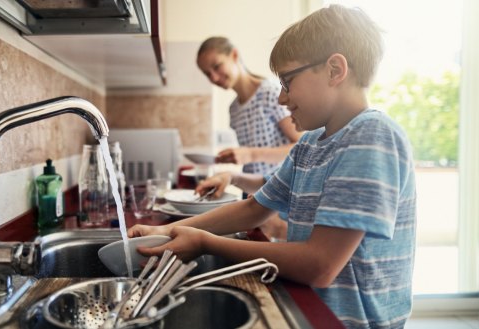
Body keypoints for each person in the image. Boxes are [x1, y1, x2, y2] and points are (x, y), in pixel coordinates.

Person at [129, 4, 417, 328]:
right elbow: (255, 207)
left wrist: (204, 242)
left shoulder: (371, 137)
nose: (281, 98)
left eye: (288, 81)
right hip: (310, 310)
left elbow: (320, 265)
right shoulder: (309, 145)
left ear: (335, 70)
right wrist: (164, 231)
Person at [196, 36, 302, 174]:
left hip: (278, 189)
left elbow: (300, 145)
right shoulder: (233, 109)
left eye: (217, 66)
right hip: (251, 189)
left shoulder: (271, 93)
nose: (214, 78)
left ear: (234, 55)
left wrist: (251, 154)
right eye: (207, 74)